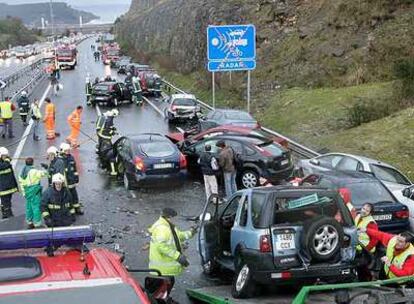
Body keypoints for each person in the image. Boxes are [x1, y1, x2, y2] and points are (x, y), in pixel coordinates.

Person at [148, 208, 196, 289]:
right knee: (163, 286)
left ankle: (164, 299)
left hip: (162, 267)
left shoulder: (168, 226)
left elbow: (178, 236)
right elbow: (161, 246)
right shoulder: (163, 229)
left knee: (166, 285)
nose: (176, 220)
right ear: (169, 217)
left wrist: (190, 233)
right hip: (162, 266)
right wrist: (177, 256)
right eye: (175, 217)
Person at [19, 157, 48, 229]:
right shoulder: (33, 171)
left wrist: (24, 193)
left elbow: (21, 183)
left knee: (29, 207)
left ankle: (29, 222)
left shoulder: (22, 171)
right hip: (34, 191)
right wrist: (46, 168)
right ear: (32, 162)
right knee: (36, 207)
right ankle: (37, 224)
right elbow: (44, 174)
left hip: (27, 192)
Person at [355, 203, 378, 281]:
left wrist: (366, 249)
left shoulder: (371, 223)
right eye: (363, 208)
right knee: (359, 268)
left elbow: (375, 239)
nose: (364, 211)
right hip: (358, 248)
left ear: (370, 213)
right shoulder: (358, 216)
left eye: (367, 210)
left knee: (364, 270)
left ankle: (367, 282)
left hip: (366, 251)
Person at [59, 143, 83, 215]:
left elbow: (74, 169)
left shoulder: (71, 158)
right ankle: (69, 210)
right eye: (66, 151)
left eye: (68, 150)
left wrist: (76, 177)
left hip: (72, 181)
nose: (68, 152)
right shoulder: (60, 160)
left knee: (74, 195)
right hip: (65, 182)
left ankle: (77, 208)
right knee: (66, 197)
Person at [97, 109, 118, 175]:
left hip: (101, 134)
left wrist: (112, 129)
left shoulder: (106, 116)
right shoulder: (110, 119)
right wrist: (113, 132)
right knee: (106, 149)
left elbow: (108, 127)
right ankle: (104, 162)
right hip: (105, 137)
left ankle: (101, 157)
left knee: (101, 147)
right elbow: (108, 129)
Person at [0, 147, 18, 218]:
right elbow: (3, 166)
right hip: (3, 189)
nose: (6, 157)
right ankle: (8, 215)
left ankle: (5, 213)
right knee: (5, 203)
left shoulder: (5, 162)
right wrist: (7, 161)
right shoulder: (4, 164)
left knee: (7, 202)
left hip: (7, 188)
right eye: (4, 155)